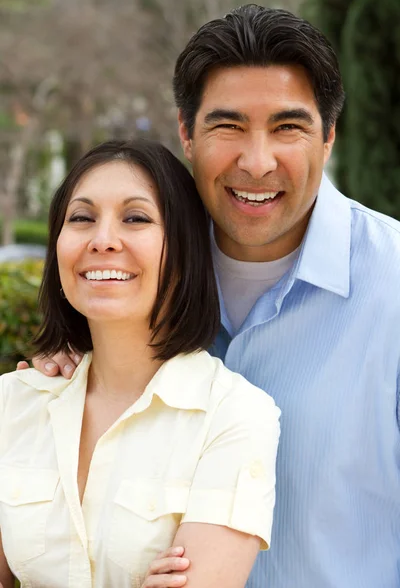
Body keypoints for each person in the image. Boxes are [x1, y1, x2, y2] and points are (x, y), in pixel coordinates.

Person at [22, 4, 400, 588]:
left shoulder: (392, 284)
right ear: (186, 133)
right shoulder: (136, 274)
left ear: (328, 137)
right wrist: (77, 368)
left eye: (287, 128)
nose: (256, 162)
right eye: (228, 127)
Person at [0, 139, 281, 588]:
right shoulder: (11, 404)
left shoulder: (234, 417)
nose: (103, 240)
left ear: (186, 250)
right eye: (81, 218)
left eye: (136, 218)